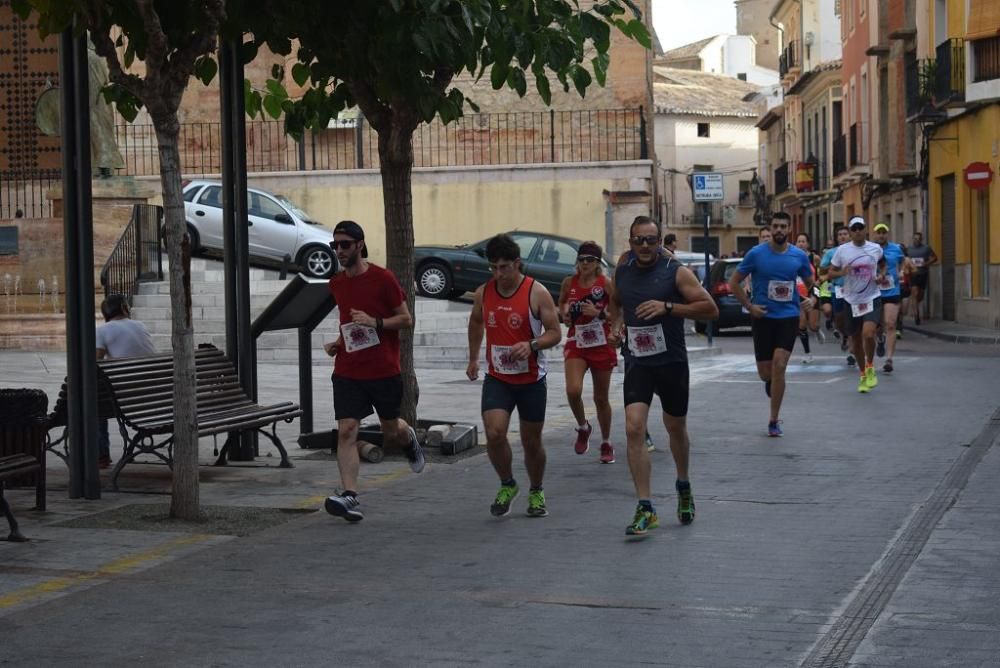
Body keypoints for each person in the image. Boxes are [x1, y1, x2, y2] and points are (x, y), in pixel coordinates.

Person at [609, 216, 718, 537]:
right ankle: (646, 506)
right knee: (633, 427)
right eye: (639, 240)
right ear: (630, 242)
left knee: (675, 428)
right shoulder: (623, 271)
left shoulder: (676, 272)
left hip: (671, 362)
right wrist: (616, 326)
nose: (645, 246)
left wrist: (668, 307)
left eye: (651, 240)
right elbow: (616, 302)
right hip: (638, 361)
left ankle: (683, 484)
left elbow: (709, 308)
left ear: (659, 242)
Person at [323, 221, 425, 523]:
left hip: (382, 369)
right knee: (347, 430)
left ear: (359, 244)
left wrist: (376, 322)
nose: (339, 251)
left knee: (390, 430)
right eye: (335, 245)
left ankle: (408, 439)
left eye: (344, 245)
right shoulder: (337, 283)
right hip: (348, 369)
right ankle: (350, 496)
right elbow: (349, 322)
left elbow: (406, 319)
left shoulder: (383, 278)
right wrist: (339, 343)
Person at [467, 234, 562, 518]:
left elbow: (556, 333)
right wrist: (473, 358)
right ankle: (508, 483)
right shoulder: (485, 292)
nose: (499, 274)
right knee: (494, 434)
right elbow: (475, 321)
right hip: (498, 377)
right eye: (494, 268)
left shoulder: (537, 292)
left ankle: (536, 489)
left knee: (531, 441)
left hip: (531, 379)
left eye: (505, 267)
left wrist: (531, 344)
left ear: (517, 264)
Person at [730, 213, 814, 437]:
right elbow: (734, 282)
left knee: (779, 365)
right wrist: (750, 306)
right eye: (775, 226)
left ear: (789, 230)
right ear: (771, 228)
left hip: (788, 317)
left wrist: (812, 299)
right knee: (765, 373)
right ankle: (771, 383)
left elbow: (811, 283)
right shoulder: (756, 254)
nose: (779, 230)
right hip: (762, 317)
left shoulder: (799, 256)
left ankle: (773, 420)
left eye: (783, 226)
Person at [558, 241, 619, 464]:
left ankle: (606, 442)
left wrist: (599, 314)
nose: (585, 264)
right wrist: (564, 314)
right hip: (577, 341)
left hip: (601, 342)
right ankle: (583, 426)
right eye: (581, 259)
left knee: (600, 398)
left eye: (590, 260)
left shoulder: (606, 284)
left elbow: (617, 315)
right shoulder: (569, 282)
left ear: (597, 263)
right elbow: (562, 303)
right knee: (573, 390)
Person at [827, 216, 887, 394]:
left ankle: (870, 366)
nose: (857, 231)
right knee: (856, 342)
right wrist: (841, 272)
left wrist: (881, 275)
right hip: (851, 300)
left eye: (860, 228)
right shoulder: (842, 251)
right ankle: (862, 374)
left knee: (868, 334)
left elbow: (883, 265)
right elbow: (829, 272)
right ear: (850, 232)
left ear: (865, 230)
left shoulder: (875, 248)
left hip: (872, 297)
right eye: (854, 229)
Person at [95, 294, 156, 468]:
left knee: (94, 403)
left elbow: (94, 365)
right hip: (155, 397)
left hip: (125, 399)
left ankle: (101, 455)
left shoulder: (102, 330)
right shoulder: (140, 326)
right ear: (124, 308)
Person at [872, 223, 910, 373]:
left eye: (884, 232)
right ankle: (880, 339)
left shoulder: (896, 249)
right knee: (878, 326)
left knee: (891, 323)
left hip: (892, 291)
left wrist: (901, 271)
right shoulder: (870, 249)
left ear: (887, 234)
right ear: (874, 234)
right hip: (874, 291)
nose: (881, 235)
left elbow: (903, 261)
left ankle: (889, 359)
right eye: (878, 232)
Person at [819, 226, 854, 367]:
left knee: (852, 319)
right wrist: (837, 267)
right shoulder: (831, 252)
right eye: (840, 234)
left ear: (850, 235)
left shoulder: (855, 250)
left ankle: (852, 352)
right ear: (836, 238)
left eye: (845, 234)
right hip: (837, 289)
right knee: (839, 320)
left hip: (854, 289)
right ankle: (844, 335)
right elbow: (822, 269)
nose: (843, 236)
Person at [794, 232, 824, 362]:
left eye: (803, 241)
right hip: (798, 294)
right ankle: (807, 353)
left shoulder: (814, 258)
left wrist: (819, 281)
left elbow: (823, 272)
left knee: (813, 325)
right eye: (799, 241)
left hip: (812, 292)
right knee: (801, 325)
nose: (801, 244)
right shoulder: (792, 257)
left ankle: (817, 330)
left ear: (808, 244)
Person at [906, 232, 937, 325]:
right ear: (912, 239)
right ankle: (917, 316)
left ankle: (914, 303)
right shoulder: (909, 249)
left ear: (921, 240)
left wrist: (926, 263)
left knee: (921, 296)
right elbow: (904, 260)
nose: (917, 240)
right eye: (915, 238)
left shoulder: (926, 248)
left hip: (923, 274)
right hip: (913, 275)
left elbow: (935, 258)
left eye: (918, 239)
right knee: (915, 293)